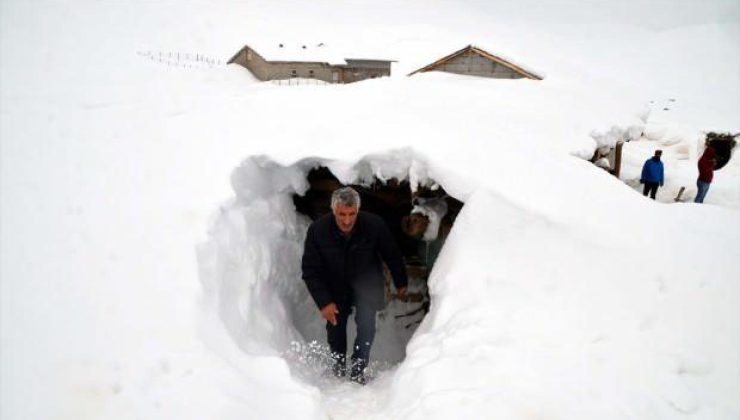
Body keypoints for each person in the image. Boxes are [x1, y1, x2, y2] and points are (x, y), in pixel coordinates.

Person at [301, 187, 408, 384]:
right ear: (334, 211)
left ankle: (359, 370)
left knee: (367, 327)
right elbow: (310, 270)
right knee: (335, 328)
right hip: (335, 284)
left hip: (366, 282)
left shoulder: (374, 225)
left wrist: (401, 282)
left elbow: (391, 254)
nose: (347, 220)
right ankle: (338, 367)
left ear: (358, 210)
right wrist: (324, 302)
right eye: (342, 214)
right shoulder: (318, 231)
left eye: (352, 214)